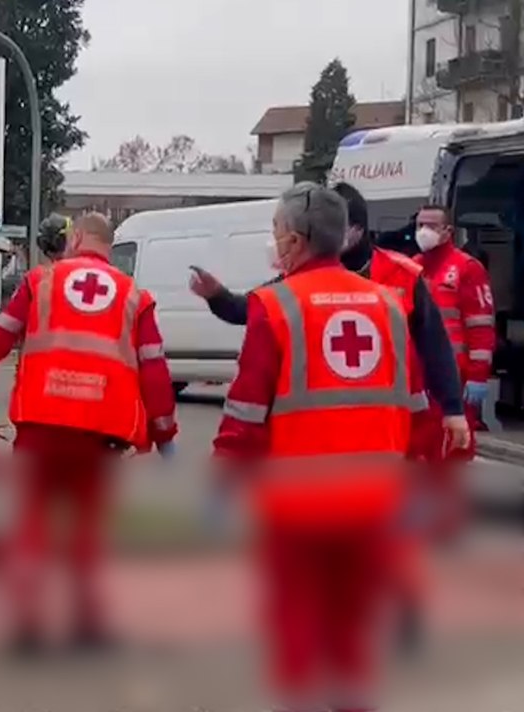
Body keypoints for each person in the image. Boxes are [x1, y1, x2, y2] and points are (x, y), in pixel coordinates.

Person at [189, 184, 470, 655]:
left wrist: (454, 411)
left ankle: (397, 616)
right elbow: (415, 387)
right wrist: (219, 297)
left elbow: (434, 349)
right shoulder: (377, 299)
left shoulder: (394, 279)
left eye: (277, 231)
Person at [214, 182, 425, 712]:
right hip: (375, 496)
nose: (275, 243)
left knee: (297, 618)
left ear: (295, 240)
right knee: (353, 619)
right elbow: (415, 405)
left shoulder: (275, 305)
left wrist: (223, 484)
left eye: (276, 234)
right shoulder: (389, 305)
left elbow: (245, 413)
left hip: (300, 499)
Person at [0, 211, 179, 652]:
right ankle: (88, 624)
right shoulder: (134, 296)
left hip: (41, 423)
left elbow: (2, 332)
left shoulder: (41, 281)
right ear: (109, 246)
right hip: (101, 432)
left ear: (76, 238)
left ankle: (28, 623)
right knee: (87, 529)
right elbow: (154, 369)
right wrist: (164, 432)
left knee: (32, 524)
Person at [413, 203, 498, 539]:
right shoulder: (414, 268)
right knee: (421, 453)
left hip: (456, 382)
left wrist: (478, 376)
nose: (424, 231)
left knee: (451, 455)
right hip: (420, 381)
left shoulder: (467, 269)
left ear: (448, 231)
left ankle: (446, 526)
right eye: (420, 224)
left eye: (432, 225)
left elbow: (481, 326)